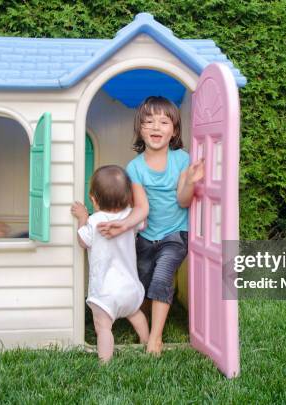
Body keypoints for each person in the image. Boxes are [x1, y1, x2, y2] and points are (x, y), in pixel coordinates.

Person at [98, 96, 204, 355]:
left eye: (164, 122)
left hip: (176, 234)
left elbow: (183, 200)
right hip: (146, 236)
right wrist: (122, 226)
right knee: (143, 281)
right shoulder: (134, 167)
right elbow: (142, 208)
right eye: (148, 122)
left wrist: (190, 180)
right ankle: (142, 322)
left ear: (174, 130)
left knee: (161, 278)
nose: (156, 127)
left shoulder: (181, 159)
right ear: (140, 129)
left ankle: (155, 339)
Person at [71, 165, 149, 363]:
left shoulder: (95, 221)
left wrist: (82, 217)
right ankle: (147, 342)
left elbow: (82, 241)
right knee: (136, 315)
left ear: (93, 200)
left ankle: (105, 361)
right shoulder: (130, 218)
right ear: (128, 197)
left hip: (105, 293)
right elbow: (143, 223)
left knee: (103, 326)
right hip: (130, 288)